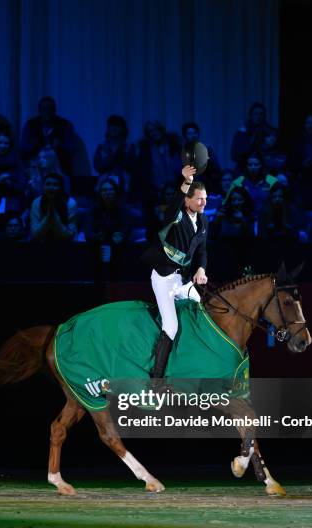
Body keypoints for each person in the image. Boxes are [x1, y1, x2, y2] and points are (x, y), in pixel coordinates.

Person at [141, 165, 208, 381]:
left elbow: (203, 251)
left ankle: (190, 363)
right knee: (171, 325)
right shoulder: (176, 215)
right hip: (164, 278)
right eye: (199, 199)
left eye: (205, 198)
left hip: (184, 279)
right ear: (187, 201)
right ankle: (157, 379)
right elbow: (173, 207)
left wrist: (201, 268)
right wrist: (186, 181)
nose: (204, 203)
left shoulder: (204, 221)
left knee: (201, 314)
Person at [20, 97, 76, 175]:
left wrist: (60, 146)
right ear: (39, 111)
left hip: (60, 169)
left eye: (51, 109)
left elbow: (72, 149)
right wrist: (33, 145)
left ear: (55, 110)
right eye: (44, 109)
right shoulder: (31, 125)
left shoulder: (64, 125)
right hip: (36, 169)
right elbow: (22, 149)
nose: (47, 112)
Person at [29, 172, 77, 241]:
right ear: (43, 186)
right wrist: (48, 218)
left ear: (61, 187)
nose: (51, 188)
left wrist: (55, 218)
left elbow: (70, 235)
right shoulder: (37, 202)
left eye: (55, 185)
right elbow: (34, 234)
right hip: (42, 244)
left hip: (64, 244)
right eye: (48, 184)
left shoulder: (70, 203)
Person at [93, 115, 136, 191]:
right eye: (111, 126)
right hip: (105, 184)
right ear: (108, 128)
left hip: (124, 184)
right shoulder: (102, 147)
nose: (114, 128)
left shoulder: (129, 147)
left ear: (123, 129)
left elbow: (132, 166)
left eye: (117, 126)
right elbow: (97, 166)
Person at [230, 102, 274, 168]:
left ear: (265, 116)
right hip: (245, 167)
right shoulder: (242, 132)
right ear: (251, 115)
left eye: (261, 114)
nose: (258, 117)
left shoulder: (271, 132)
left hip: (266, 168)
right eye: (256, 114)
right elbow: (234, 155)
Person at [181, 122, 221, 193]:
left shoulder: (207, 149)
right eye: (189, 133)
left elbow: (216, 169)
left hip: (206, 186)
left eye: (195, 133)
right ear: (185, 136)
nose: (193, 135)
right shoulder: (182, 151)